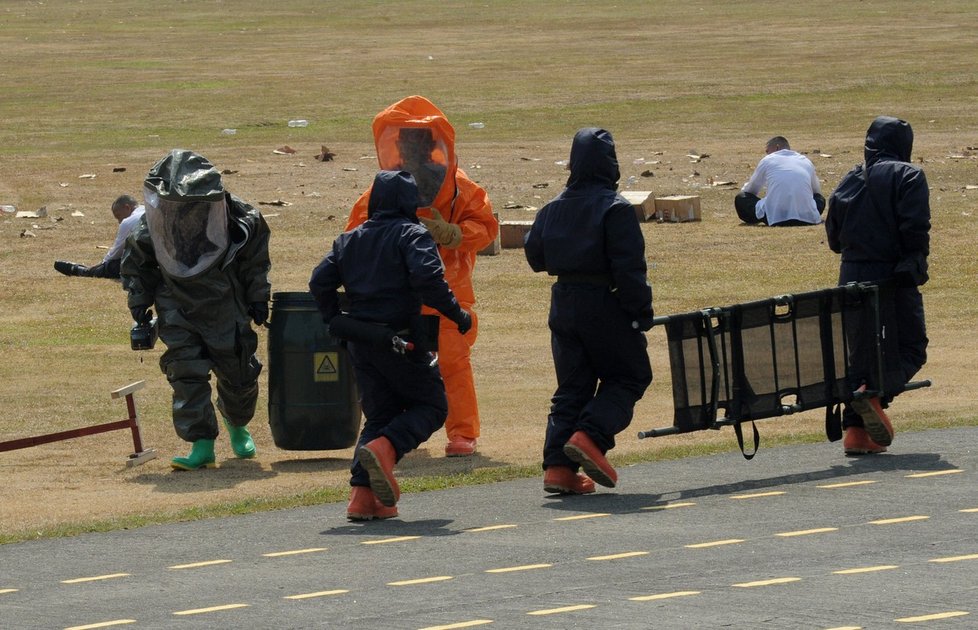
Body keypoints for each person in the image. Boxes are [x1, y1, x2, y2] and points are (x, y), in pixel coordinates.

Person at [311, 170, 473, 521]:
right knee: (432, 406)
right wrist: (457, 314)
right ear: (408, 202)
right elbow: (429, 278)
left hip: (361, 342)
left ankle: (362, 497)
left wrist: (333, 319)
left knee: (381, 415)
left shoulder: (349, 239)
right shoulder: (412, 234)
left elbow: (318, 280)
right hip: (402, 339)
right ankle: (386, 450)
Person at [345, 95, 498, 457]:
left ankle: (462, 432)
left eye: (419, 141)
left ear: (435, 144)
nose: (412, 148)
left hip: (446, 289)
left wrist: (454, 234)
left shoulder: (461, 187)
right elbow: (355, 233)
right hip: (396, 294)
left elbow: (487, 226)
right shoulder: (382, 190)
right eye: (406, 141)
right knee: (396, 363)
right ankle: (399, 427)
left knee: (453, 362)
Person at [120, 149, 271, 470]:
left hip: (225, 303)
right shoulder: (151, 226)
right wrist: (139, 305)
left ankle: (238, 426)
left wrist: (259, 297)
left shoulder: (243, 218)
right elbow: (137, 267)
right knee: (185, 373)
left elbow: (256, 262)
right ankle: (202, 445)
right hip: (175, 304)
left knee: (239, 372)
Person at [524, 128, 654, 495]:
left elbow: (535, 258)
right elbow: (629, 269)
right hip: (604, 300)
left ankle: (558, 468)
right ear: (611, 164)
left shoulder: (552, 207)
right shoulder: (615, 208)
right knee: (630, 376)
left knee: (572, 387)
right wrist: (640, 312)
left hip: (563, 300)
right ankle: (590, 437)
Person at [825, 116, 930, 456]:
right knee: (912, 347)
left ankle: (855, 434)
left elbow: (834, 240)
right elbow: (915, 229)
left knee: (861, 355)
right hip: (892, 278)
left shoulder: (849, 179)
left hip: (850, 278)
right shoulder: (909, 176)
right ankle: (875, 394)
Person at [735, 136, 825, 226]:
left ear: (777, 147)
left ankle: (758, 218)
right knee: (820, 199)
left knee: (741, 198)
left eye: (767, 151)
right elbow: (817, 192)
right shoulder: (805, 161)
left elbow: (751, 190)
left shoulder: (768, 160)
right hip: (806, 217)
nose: (767, 154)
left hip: (777, 217)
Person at [54, 195, 145, 279]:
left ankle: (84, 271)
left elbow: (117, 251)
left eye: (118, 216)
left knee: (118, 265)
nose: (119, 222)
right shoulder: (150, 210)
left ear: (127, 207)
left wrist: (103, 265)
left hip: (146, 264)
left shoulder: (128, 222)